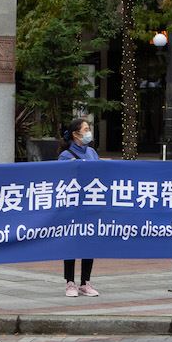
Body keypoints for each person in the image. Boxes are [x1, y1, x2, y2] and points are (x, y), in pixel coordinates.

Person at [58, 118, 100, 297]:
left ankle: (85, 282)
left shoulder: (92, 152)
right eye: (86, 129)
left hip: (91, 204)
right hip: (72, 206)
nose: (88, 132)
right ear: (75, 134)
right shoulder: (66, 156)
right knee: (71, 243)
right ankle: (70, 282)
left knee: (89, 242)